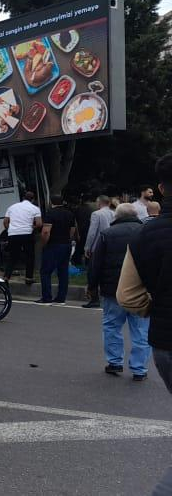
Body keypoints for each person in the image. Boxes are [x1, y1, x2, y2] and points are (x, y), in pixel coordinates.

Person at [119, 153, 172, 394]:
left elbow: (128, 296)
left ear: (161, 188)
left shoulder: (144, 235)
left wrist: (159, 308)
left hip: (165, 339)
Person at [87, 203, 149, 380]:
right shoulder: (145, 233)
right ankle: (139, 369)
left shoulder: (107, 234)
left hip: (112, 289)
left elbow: (96, 264)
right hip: (140, 290)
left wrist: (92, 286)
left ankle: (115, 362)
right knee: (141, 330)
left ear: (117, 216)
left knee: (112, 326)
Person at [36, 194, 77, 304]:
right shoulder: (70, 214)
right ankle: (61, 297)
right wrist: (67, 239)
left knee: (46, 271)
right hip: (66, 244)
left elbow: (45, 231)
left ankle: (46, 297)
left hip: (53, 244)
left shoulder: (50, 213)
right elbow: (72, 230)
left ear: (51, 202)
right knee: (63, 271)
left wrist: (44, 243)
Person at [82, 195, 115, 308]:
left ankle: (94, 298)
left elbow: (92, 232)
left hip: (97, 247)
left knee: (93, 273)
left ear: (99, 203)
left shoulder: (96, 214)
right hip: (110, 247)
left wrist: (87, 247)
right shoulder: (114, 213)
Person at [3, 191, 42, 285]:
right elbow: (39, 223)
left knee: (12, 256)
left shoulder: (12, 207)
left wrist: (11, 229)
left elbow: (5, 222)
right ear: (33, 199)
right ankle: (29, 278)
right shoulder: (35, 208)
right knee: (30, 256)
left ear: (23, 197)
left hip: (13, 234)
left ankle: (6, 277)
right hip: (27, 234)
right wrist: (33, 227)